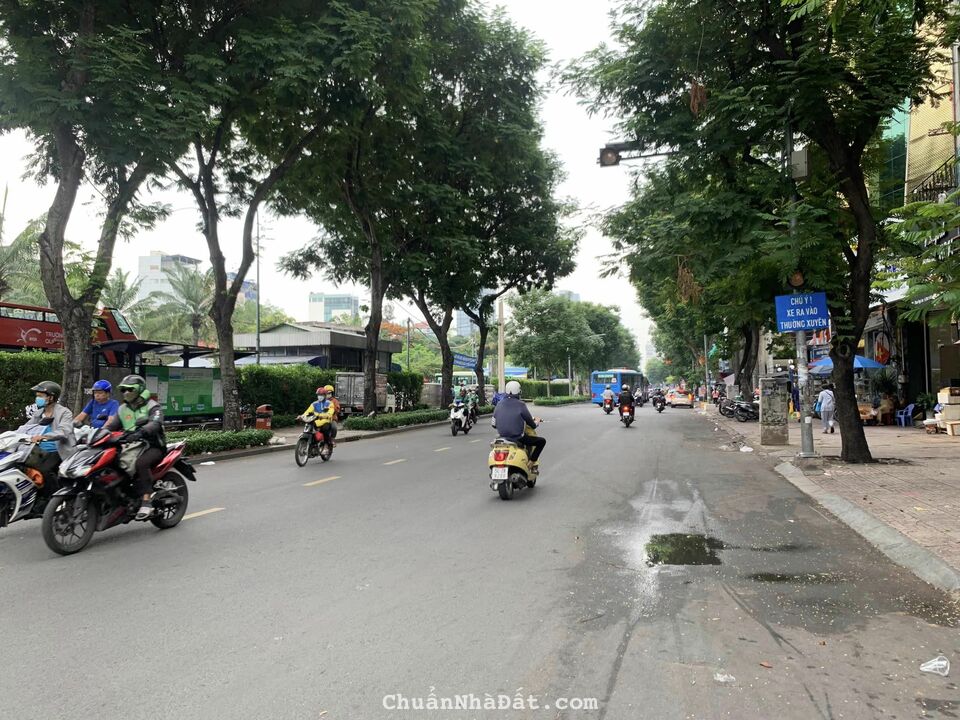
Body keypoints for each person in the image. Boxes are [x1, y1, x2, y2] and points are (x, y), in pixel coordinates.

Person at [105, 375, 166, 520]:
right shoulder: (122, 409)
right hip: (130, 446)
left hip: (153, 445)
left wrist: (142, 432)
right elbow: (112, 426)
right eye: (123, 390)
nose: (126, 392)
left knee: (141, 464)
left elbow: (155, 423)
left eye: (130, 389)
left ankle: (146, 501)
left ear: (140, 389)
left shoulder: (153, 406)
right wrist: (98, 433)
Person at [16, 380, 76, 486]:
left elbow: (64, 431)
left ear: (51, 397)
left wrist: (43, 437)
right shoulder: (38, 413)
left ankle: (52, 494)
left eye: (40, 396)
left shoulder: (64, 412)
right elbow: (26, 428)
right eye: (37, 396)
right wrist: (11, 436)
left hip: (57, 451)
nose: (37, 398)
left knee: (44, 470)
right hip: (38, 451)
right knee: (18, 464)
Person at [492, 380, 545, 468]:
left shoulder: (499, 404)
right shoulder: (521, 405)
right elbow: (532, 424)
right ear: (519, 392)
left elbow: (493, 424)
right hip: (517, 438)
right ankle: (531, 463)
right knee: (541, 441)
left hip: (502, 438)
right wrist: (537, 422)